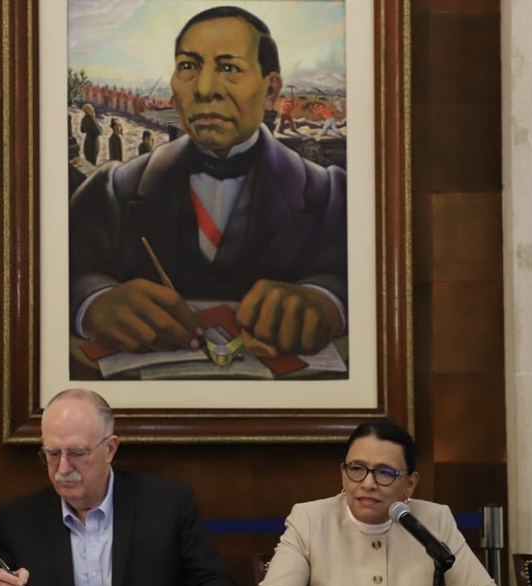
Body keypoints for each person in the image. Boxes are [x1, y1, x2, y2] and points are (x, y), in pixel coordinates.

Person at [69, 6, 347, 358]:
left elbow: (368, 281)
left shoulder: (332, 196)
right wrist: (94, 303)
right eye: (188, 66)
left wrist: (327, 301)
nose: (203, 89)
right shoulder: (110, 191)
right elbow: (59, 275)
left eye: (229, 68)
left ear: (270, 89)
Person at [0, 388, 237, 586]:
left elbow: (217, 583)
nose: (62, 468)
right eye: (53, 453)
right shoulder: (16, 520)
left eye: (77, 453)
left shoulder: (168, 504)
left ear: (109, 449)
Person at [249, 420, 508, 586]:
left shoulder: (434, 519)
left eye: (385, 473)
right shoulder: (311, 518)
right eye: (357, 469)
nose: (368, 484)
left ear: (410, 484)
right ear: (343, 473)